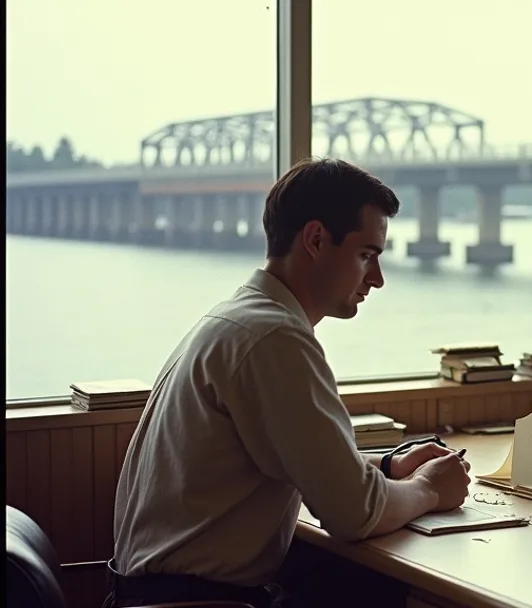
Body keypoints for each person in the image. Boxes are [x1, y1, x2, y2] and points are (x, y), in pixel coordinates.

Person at [106, 158, 472, 608]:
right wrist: (430, 488)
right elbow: (353, 514)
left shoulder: (235, 320)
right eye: (366, 255)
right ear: (316, 239)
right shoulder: (276, 338)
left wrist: (388, 468)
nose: (376, 279)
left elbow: (292, 461)